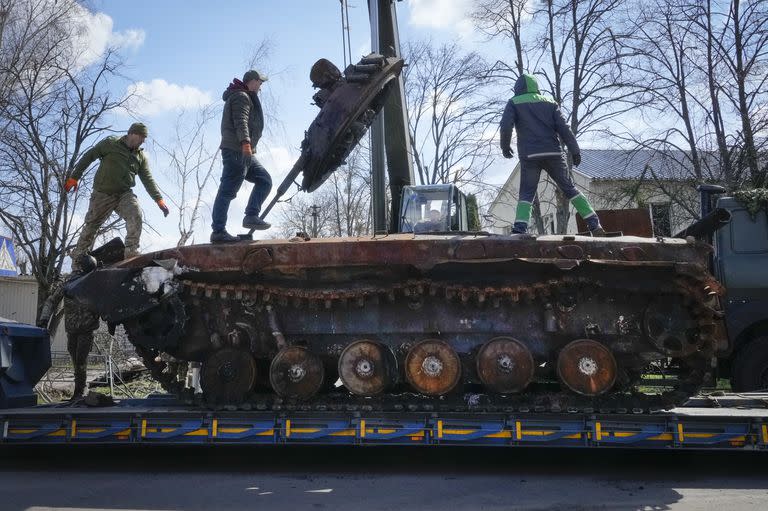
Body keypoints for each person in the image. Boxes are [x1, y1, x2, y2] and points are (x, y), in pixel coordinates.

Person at [499, 73, 604, 236]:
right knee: (570, 188)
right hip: (554, 153)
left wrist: (505, 147)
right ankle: (594, 224)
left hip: (530, 155)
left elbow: (506, 126)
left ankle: (520, 228)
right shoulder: (550, 102)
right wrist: (574, 150)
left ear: (517, 89)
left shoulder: (514, 102)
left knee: (527, 192)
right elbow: (564, 128)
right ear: (536, 87)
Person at [66, 122, 169, 266]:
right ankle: (79, 259)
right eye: (141, 137)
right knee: (92, 225)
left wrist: (159, 200)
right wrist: (74, 177)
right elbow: (89, 156)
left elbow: (147, 179)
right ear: (132, 134)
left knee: (136, 214)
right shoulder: (110, 143)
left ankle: (131, 252)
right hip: (103, 194)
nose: (143, 141)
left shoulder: (140, 157)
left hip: (123, 195)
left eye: (144, 139)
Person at [210, 69, 273, 243]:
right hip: (237, 150)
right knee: (227, 191)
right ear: (253, 81)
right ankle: (218, 231)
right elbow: (241, 121)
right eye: (260, 83)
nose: (260, 87)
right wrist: (245, 143)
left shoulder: (243, 96)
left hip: (245, 152)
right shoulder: (241, 97)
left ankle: (251, 216)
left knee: (264, 180)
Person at [38, 256, 100, 399]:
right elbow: (52, 300)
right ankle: (79, 390)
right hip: (73, 329)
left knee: (80, 360)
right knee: (76, 360)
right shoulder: (69, 283)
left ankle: (80, 390)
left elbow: (104, 301)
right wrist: (44, 319)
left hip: (86, 329)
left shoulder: (92, 282)